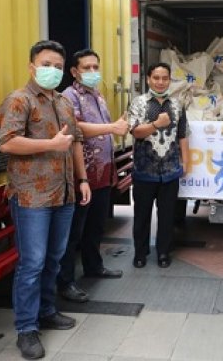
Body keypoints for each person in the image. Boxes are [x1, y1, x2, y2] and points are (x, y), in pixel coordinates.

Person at [0, 40, 91, 360]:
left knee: (55, 257)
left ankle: (48, 310)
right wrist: (49, 144)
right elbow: (7, 143)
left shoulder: (64, 102)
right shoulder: (19, 100)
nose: (52, 71)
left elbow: (75, 142)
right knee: (32, 263)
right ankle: (26, 328)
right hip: (31, 196)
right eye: (46, 64)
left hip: (63, 193)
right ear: (32, 66)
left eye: (57, 66)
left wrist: (82, 180)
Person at [57, 49, 130, 303]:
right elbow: (75, 128)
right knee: (73, 231)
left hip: (101, 173)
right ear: (75, 72)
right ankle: (65, 282)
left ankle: (93, 266)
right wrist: (112, 127)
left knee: (95, 226)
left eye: (95, 67)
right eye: (86, 68)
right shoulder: (69, 96)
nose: (92, 72)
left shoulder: (98, 96)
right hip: (82, 175)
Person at [127, 62, 190, 269]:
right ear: (148, 79)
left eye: (165, 78)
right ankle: (140, 253)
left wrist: (185, 162)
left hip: (170, 171)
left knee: (167, 216)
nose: (160, 82)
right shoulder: (139, 103)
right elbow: (135, 132)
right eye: (156, 78)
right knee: (142, 216)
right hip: (145, 170)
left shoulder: (177, 104)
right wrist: (155, 124)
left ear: (169, 80)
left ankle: (163, 252)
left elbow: (182, 135)